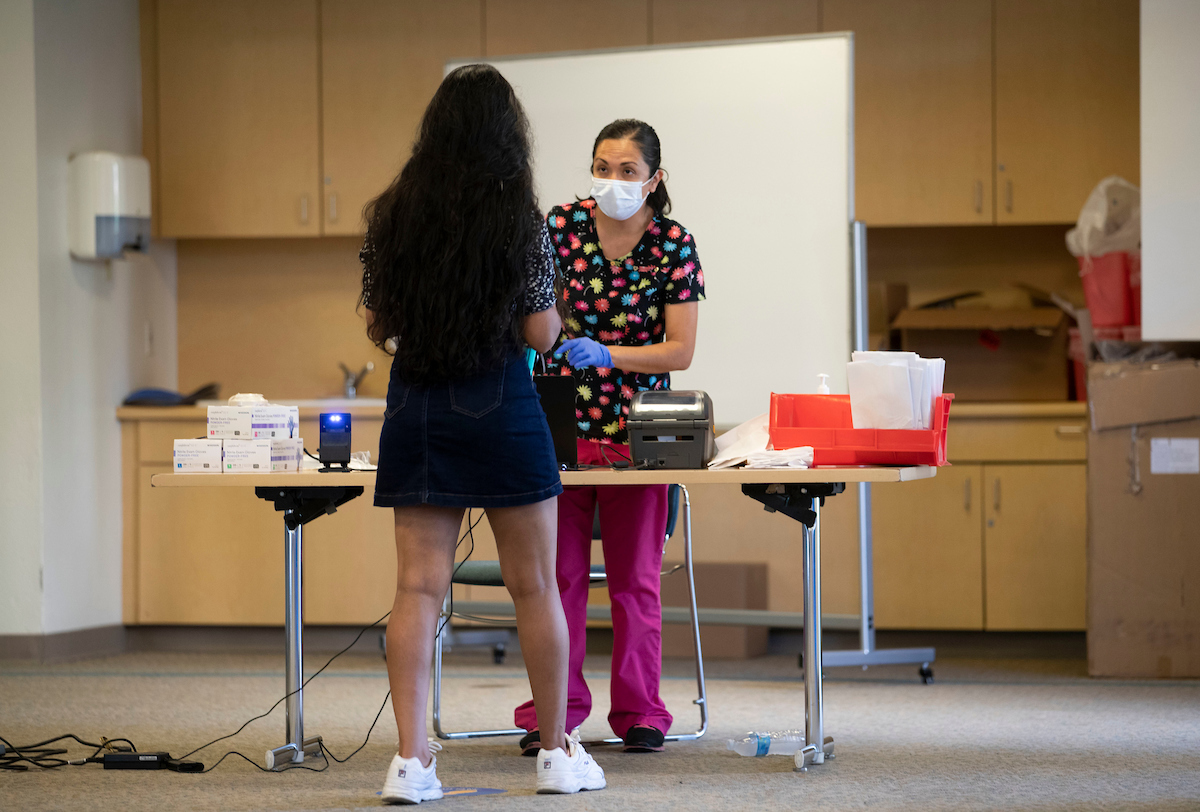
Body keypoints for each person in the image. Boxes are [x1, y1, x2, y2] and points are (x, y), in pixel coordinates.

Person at [359, 64, 605, 803]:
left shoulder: (391, 216)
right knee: (536, 586)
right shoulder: (519, 220)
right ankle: (556, 753)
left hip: (416, 404)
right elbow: (541, 332)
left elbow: (379, 322)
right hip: (500, 402)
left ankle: (412, 763)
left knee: (416, 588)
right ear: (508, 134)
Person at [513, 119, 704, 754]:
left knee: (635, 582)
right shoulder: (558, 228)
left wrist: (610, 354)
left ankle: (642, 711)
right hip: (556, 425)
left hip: (639, 430)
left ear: (653, 178)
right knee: (556, 579)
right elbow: (525, 311)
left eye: (627, 171)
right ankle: (553, 712)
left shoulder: (673, 243)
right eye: (602, 168)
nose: (612, 180)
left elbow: (680, 351)